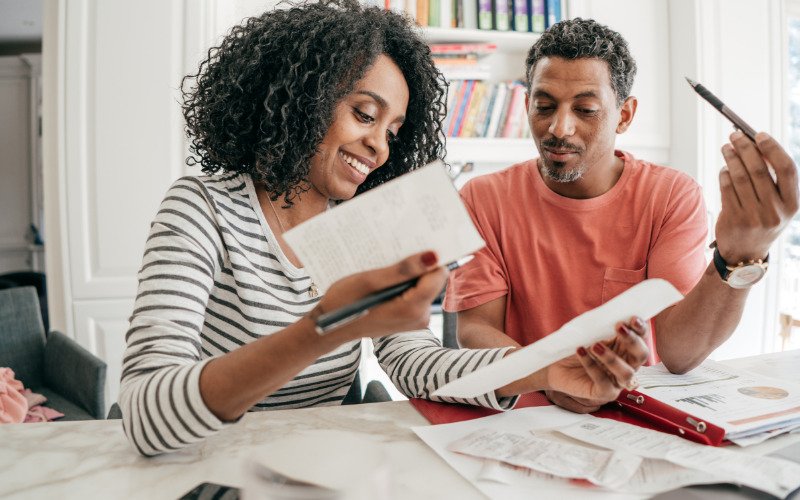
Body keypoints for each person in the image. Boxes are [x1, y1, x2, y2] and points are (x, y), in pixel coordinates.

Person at [119, 1, 650, 457]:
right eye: (364, 114)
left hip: (314, 460)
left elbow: (414, 362)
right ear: (302, 96)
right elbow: (144, 411)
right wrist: (328, 327)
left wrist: (544, 367)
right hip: (204, 460)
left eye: (394, 131)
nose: (380, 147)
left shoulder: (363, 228)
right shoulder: (202, 208)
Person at [445, 17, 799, 414]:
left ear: (624, 116)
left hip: (630, 414)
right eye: (544, 106)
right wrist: (547, 374)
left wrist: (737, 255)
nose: (559, 128)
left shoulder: (669, 196)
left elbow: (679, 355)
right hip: (521, 413)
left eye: (586, 109)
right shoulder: (481, 197)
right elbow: (475, 328)